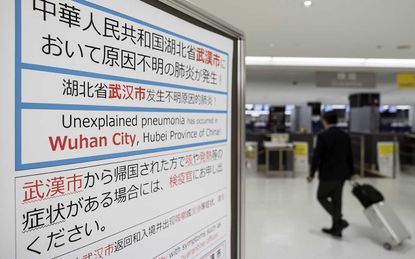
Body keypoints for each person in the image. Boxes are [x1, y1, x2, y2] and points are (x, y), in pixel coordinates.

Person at [307, 111, 358, 238]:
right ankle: (337, 229)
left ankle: (339, 221)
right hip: (342, 174)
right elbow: (349, 155)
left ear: (325, 121)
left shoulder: (322, 136)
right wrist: (352, 172)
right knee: (337, 201)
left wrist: (312, 173)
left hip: (328, 174)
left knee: (321, 196)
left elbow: (317, 156)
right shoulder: (345, 135)